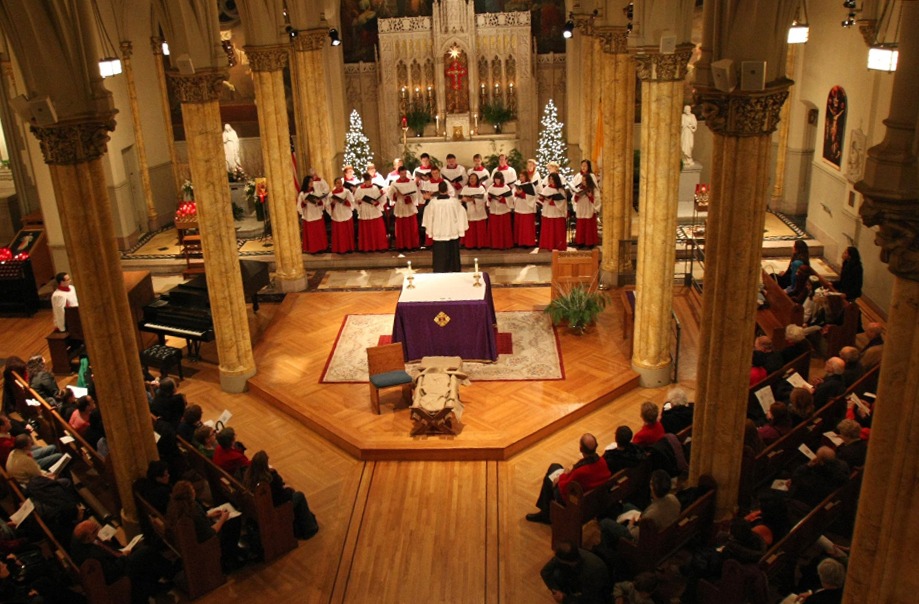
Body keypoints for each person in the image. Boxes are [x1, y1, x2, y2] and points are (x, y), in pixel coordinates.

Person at [70, 518, 175, 604]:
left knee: (142, 551)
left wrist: (114, 545)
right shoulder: (92, 558)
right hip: (118, 576)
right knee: (146, 551)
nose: (98, 532)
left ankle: (154, 583)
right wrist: (124, 556)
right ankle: (170, 572)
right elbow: (113, 572)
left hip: (117, 560)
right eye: (95, 531)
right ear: (88, 537)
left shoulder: (79, 539)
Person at [526, 433, 611, 524]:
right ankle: (546, 512)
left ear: (581, 449)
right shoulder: (602, 461)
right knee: (556, 466)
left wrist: (561, 477)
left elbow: (563, 488)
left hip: (578, 502)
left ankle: (545, 515)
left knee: (549, 478)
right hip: (595, 499)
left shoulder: (581, 471)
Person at [165, 480, 247, 573]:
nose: (194, 491)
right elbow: (210, 533)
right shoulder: (192, 510)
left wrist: (208, 515)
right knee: (233, 522)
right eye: (192, 489)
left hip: (188, 541)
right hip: (202, 543)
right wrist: (223, 519)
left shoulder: (175, 506)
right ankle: (228, 559)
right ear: (189, 494)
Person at [243, 450, 319, 540]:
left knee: (295, 496)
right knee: (299, 496)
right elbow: (282, 496)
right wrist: (289, 490)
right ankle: (309, 528)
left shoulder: (249, 476)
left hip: (261, 507)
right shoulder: (271, 478)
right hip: (273, 508)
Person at [539, 541, 610, 604]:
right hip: (579, 580)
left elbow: (591, 597)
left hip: (597, 590)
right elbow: (545, 572)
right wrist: (556, 590)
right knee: (556, 575)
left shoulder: (593, 570)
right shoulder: (569, 554)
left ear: (566, 562)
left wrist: (565, 600)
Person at [422, 181, 468, 273]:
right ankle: (453, 269)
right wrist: (460, 230)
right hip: (452, 233)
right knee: (453, 254)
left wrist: (430, 231)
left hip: (439, 233)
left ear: (438, 190)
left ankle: (440, 270)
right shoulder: (454, 202)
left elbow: (428, 217)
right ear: (447, 190)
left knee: (440, 255)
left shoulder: (433, 203)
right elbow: (461, 214)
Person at [387, 165, 421, 251]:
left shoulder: (411, 182)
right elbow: (390, 195)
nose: (403, 175)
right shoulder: (394, 184)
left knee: (411, 227)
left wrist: (410, 198)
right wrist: (396, 195)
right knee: (401, 228)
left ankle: (412, 245)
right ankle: (401, 246)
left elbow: (415, 194)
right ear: (399, 173)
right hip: (400, 206)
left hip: (409, 206)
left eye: (405, 173)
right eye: (402, 173)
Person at [354, 171, 389, 252]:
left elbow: (380, 199)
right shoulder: (359, 189)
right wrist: (359, 201)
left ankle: (380, 246)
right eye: (367, 181)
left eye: (370, 180)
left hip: (374, 210)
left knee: (377, 229)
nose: (369, 182)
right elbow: (355, 200)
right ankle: (367, 247)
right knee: (366, 231)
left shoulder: (375, 188)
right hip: (365, 211)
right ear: (364, 181)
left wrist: (377, 202)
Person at [570, 160, 601, 247]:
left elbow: (596, 195)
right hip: (581, 207)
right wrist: (576, 194)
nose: (583, 167)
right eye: (582, 165)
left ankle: (589, 242)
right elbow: (574, 197)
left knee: (589, 226)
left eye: (585, 166)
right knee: (581, 226)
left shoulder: (591, 177)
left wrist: (590, 196)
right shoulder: (578, 177)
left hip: (588, 207)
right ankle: (580, 242)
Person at [298, 172, 329, 254]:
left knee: (319, 232)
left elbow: (322, 203)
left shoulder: (316, 192)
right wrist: (304, 202)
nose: (312, 183)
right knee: (312, 234)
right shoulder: (302, 194)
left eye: (312, 181)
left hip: (317, 214)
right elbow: (299, 207)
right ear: (306, 183)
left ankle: (321, 247)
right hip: (309, 216)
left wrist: (319, 202)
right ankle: (313, 249)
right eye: (310, 182)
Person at [539, 172, 569, 251]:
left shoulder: (560, 190)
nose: (551, 181)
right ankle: (547, 245)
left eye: (552, 179)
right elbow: (542, 197)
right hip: (548, 211)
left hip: (557, 213)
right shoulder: (546, 188)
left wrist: (552, 201)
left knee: (557, 230)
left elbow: (563, 202)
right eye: (550, 179)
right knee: (548, 230)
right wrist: (542, 198)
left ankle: (558, 245)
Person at [459, 172, 488, 249]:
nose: (472, 180)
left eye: (474, 179)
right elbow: (461, 198)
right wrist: (464, 199)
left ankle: (480, 245)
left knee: (480, 229)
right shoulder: (465, 188)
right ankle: (470, 244)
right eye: (471, 178)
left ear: (477, 180)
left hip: (479, 211)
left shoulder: (481, 188)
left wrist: (472, 199)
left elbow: (484, 199)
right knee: (470, 229)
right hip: (469, 210)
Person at [327, 177, 356, 254]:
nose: (339, 184)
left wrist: (346, 202)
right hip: (337, 214)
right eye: (337, 183)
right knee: (339, 234)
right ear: (335, 184)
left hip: (346, 213)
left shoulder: (347, 192)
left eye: (340, 183)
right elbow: (327, 206)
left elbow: (352, 202)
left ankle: (349, 248)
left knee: (347, 232)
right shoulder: (331, 194)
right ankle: (340, 249)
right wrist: (333, 203)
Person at [486, 172, 514, 249]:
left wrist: (502, 199)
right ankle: (494, 244)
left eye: (498, 179)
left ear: (501, 179)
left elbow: (510, 199)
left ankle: (504, 244)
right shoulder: (491, 187)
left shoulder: (506, 188)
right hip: (494, 210)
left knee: (503, 228)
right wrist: (489, 197)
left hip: (503, 210)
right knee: (495, 229)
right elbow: (487, 197)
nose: (497, 181)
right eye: (496, 179)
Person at [512, 169, 538, 247]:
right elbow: (512, 195)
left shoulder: (531, 185)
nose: (521, 178)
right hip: (519, 207)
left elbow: (534, 197)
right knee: (519, 226)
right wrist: (517, 194)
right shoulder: (517, 184)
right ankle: (518, 242)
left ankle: (527, 243)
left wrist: (523, 194)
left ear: (526, 176)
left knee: (526, 227)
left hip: (527, 209)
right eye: (520, 176)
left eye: (522, 176)